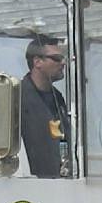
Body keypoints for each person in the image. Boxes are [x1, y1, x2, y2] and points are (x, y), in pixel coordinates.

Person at [20, 35, 71, 177]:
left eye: (63, 58)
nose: (63, 63)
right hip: (30, 182)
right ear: (37, 62)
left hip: (58, 181)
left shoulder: (58, 98)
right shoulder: (17, 97)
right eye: (56, 58)